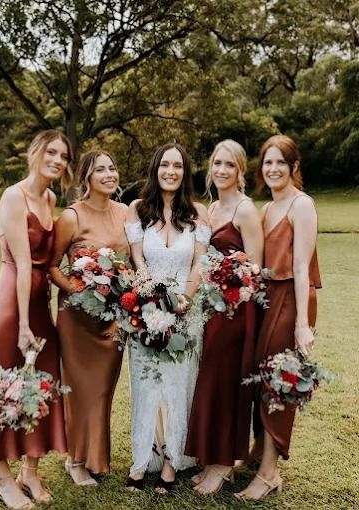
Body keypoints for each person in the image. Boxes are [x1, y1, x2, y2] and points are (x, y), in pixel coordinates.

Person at [0, 130, 73, 509]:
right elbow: (22, 264)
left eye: (64, 156)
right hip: (10, 307)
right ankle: (3, 480)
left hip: (39, 307)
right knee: (7, 390)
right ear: (36, 152)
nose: (57, 160)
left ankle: (30, 472)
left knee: (41, 385)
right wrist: (22, 326)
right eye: (51, 152)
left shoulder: (50, 197)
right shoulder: (13, 196)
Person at [235, 135, 321, 500]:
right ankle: (258, 451)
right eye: (267, 163)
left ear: (294, 167)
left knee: (276, 380)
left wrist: (302, 324)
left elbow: (301, 267)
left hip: (291, 299)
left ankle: (269, 473)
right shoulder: (268, 208)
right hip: (266, 298)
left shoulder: (302, 205)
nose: (272, 169)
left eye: (280, 164)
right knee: (258, 374)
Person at [124, 143, 211, 493]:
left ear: (185, 172)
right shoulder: (137, 209)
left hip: (185, 315)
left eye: (177, 166)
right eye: (164, 165)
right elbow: (137, 260)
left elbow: (199, 265)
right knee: (146, 388)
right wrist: (151, 300)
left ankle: (172, 463)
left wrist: (183, 302)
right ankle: (141, 462)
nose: (171, 171)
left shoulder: (198, 213)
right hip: (146, 312)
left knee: (176, 388)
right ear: (155, 169)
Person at [185, 140, 264, 495]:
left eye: (229, 165)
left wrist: (228, 278)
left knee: (228, 383)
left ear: (240, 170)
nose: (221, 170)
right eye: (217, 163)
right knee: (211, 382)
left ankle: (223, 465)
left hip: (236, 310)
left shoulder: (245, 210)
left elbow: (256, 267)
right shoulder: (213, 207)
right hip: (210, 309)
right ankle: (211, 457)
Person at [49, 151, 129, 487]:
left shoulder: (127, 213)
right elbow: (52, 266)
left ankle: (94, 455)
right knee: (80, 389)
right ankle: (76, 460)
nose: (109, 174)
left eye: (112, 168)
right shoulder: (71, 217)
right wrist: (77, 290)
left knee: (102, 389)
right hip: (77, 321)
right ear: (86, 178)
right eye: (101, 170)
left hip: (112, 318)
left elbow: (133, 262)